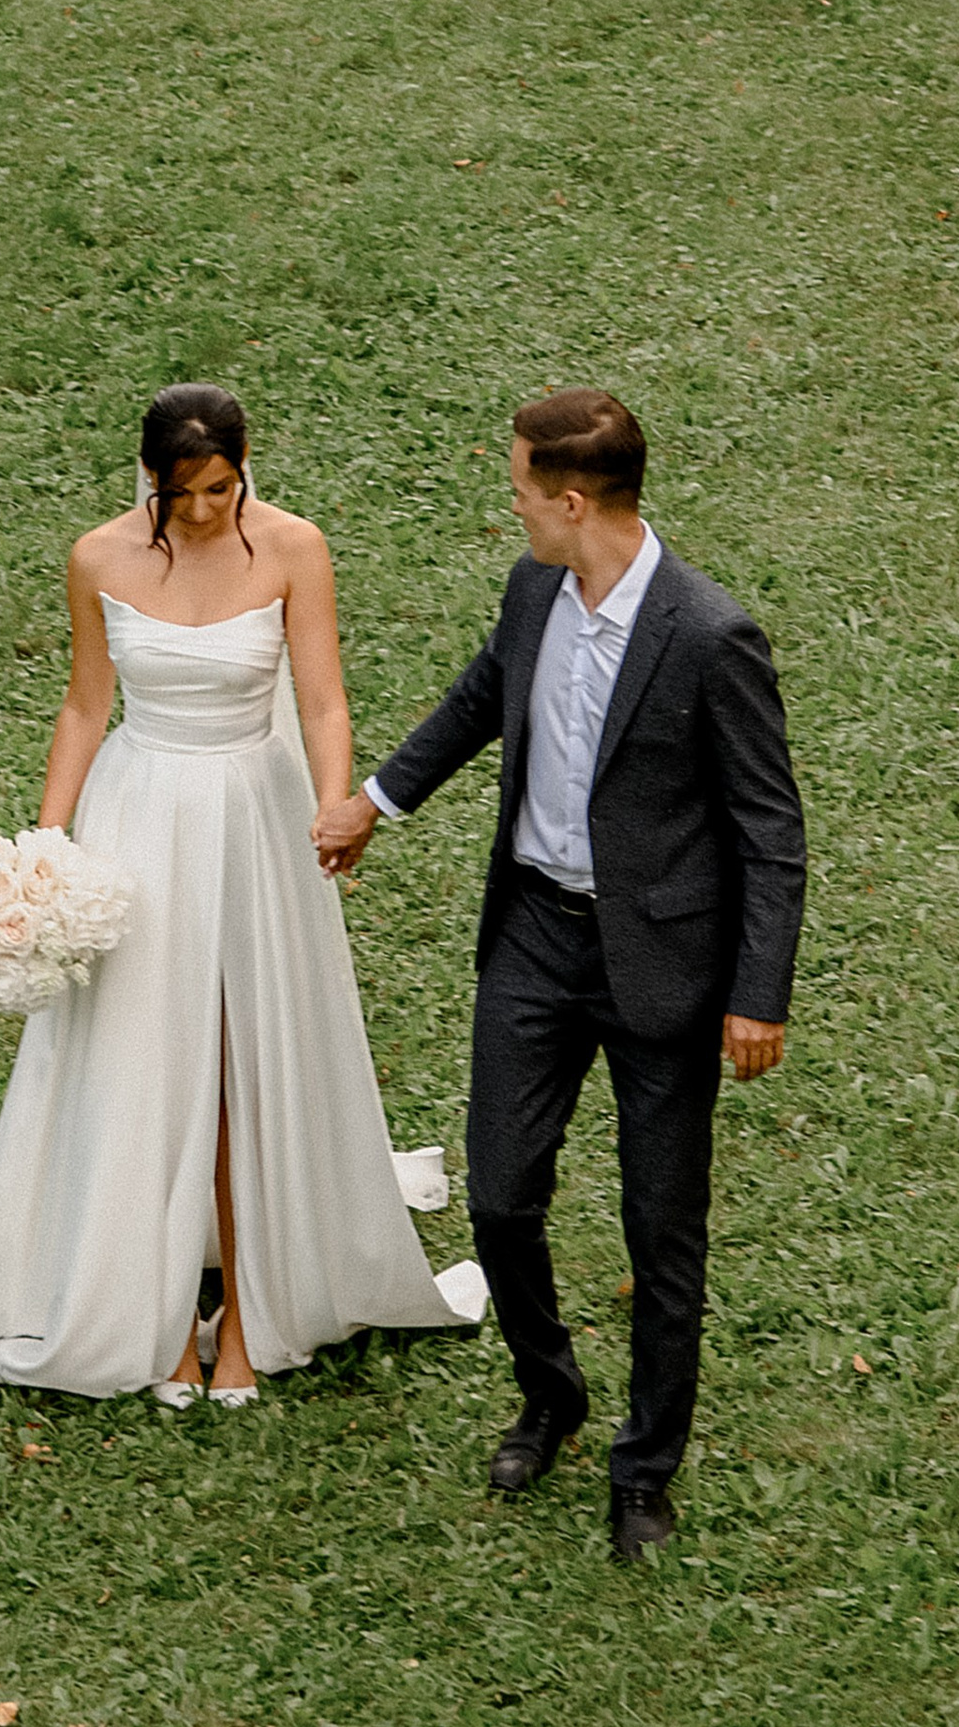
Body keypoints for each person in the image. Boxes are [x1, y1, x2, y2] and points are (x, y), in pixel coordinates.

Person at [0, 385, 485, 1407]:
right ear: (147, 477)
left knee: (242, 1059)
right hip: (141, 812)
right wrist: (46, 846)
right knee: (148, 1052)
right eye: (181, 492)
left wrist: (337, 802)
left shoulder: (293, 547)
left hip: (255, 819)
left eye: (220, 489)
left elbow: (322, 696)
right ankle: (155, 1326)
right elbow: (83, 703)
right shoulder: (98, 556)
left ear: (246, 466)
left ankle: (244, 1316)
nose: (201, 512)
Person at [315, 391, 805, 1562]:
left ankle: (645, 1469)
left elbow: (768, 826)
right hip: (535, 932)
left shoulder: (706, 632)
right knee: (498, 1195)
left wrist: (758, 990)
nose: (516, 508)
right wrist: (378, 801)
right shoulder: (536, 588)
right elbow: (486, 695)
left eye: (524, 491)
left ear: (572, 500)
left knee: (660, 1227)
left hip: (661, 966)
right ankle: (551, 1393)